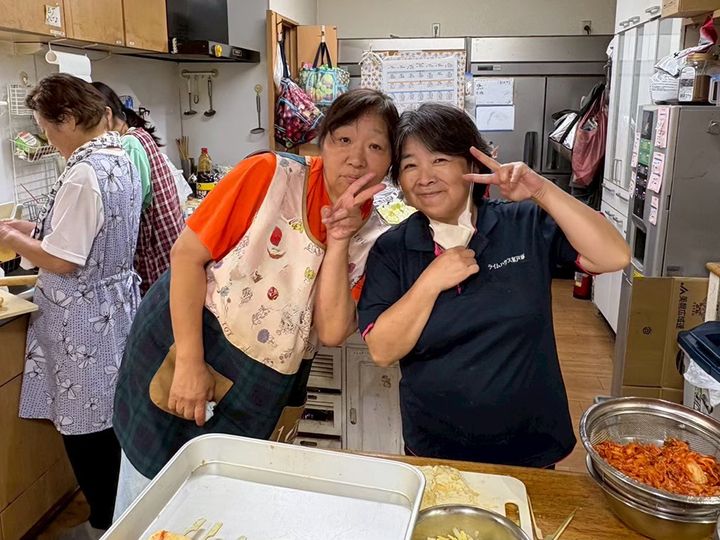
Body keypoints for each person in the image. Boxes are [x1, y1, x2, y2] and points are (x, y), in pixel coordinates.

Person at [111, 88, 399, 515]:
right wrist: (189, 362)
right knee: (149, 495)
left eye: (375, 147)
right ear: (322, 142)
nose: (356, 158)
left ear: (390, 163)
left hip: (263, 381)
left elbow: (333, 330)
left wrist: (340, 238)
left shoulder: (374, 235)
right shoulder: (270, 176)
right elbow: (186, 256)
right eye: (344, 139)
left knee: (221, 500)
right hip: (188, 342)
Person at [358, 103, 630, 468]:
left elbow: (614, 256)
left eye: (440, 160)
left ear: (472, 165)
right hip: (436, 447)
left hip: (529, 446)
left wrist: (542, 191)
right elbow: (382, 350)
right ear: (400, 183)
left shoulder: (524, 224)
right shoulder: (393, 249)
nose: (425, 177)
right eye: (410, 166)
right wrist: (430, 282)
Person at [0, 73, 142, 538]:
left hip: (82, 320)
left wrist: (8, 238)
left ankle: (104, 523)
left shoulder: (83, 174)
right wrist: (27, 233)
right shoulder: (119, 157)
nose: (48, 139)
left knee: (86, 427)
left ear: (66, 119)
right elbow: (81, 236)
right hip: (110, 307)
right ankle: (120, 515)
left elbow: (64, 259)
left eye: (46, 128)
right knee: (109, 417)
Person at [92, 81, 185, 295]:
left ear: (107, 115)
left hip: (154, 246)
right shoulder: (138, 135)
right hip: (169, 244)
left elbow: (131, 202)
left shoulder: (129, 144)